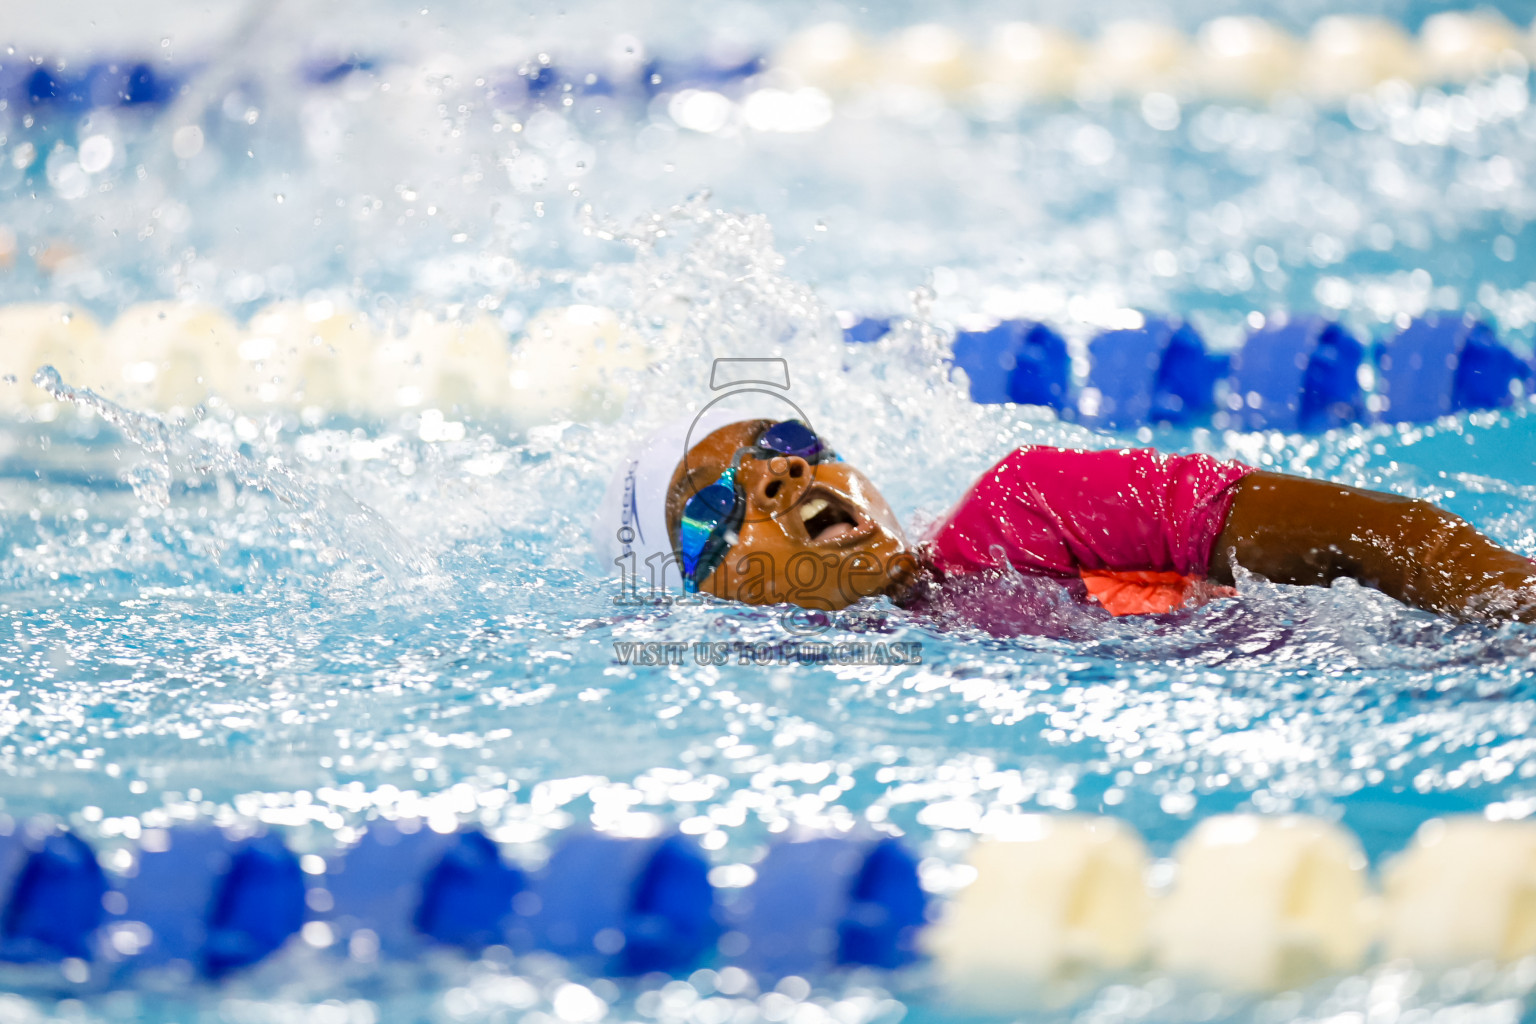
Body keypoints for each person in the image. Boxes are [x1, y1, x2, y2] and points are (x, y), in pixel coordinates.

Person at [596, 414, 1536, 633]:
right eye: (717, 501)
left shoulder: (1026, 506)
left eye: (788, 442)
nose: (784, 472)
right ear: (703, 591)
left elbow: (1389, 536)